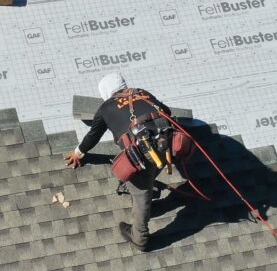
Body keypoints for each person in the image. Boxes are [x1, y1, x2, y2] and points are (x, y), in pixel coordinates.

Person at [65, 74, 200, 250]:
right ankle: (149, 180)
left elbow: (93, 136)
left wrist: (78, 153)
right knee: (152, 169)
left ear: (106, 92)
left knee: (141, 194)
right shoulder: (142, 92)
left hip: (141, 155)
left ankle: (140, 237)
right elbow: (166, 111)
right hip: (168, 145)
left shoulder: (105, 107)